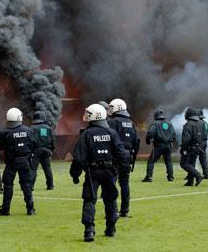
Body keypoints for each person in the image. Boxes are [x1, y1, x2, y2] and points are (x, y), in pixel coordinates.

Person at [70, 104, 129, 242]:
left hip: (93, 173)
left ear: (93, 116)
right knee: (110, 200)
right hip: (110, 172)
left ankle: (89, 230)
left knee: (90, 199)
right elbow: (122, 154)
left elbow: (79, 158)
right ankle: (111, 228)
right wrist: (123, 170)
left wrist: (75, 175)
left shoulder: (86, 134)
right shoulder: (112, 133)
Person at [0, 108, 36, 216]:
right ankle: (30, 208)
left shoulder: (5, 132)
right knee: (26, 185)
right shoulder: (28, 130)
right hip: (25, 161)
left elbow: (0, 146)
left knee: (8, 185)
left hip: (11, 162)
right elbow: (34, 144)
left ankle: (5, 209)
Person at [107, 98, 139, 218]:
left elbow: (110, 138)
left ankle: (113, 211)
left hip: (115, 156)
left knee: (111, 183)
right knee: (124, 183)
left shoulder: (113, 122)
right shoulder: (131, 123)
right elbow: (136, 141)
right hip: (127, 156)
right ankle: (125, 210)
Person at [142, 109, 176, 182]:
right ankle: (171, 177)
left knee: (151, 161)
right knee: (168, 161)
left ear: (156, 116)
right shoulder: (169, 124)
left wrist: (148, 141)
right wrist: (171, 141)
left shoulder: (155, 123)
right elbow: (174, 135)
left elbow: (151, 133)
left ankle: (149, 177)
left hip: (158, 145)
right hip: (168, 145)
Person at [30, 111, 55, 190]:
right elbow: (53, 141)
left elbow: (30, 141)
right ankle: (50, 185)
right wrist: (51, 150)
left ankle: (31, 186)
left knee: (33, 169)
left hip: (35, 151)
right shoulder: (48, 128)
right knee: (47, 168)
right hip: (46, 150)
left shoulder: (31, 128)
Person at [180, 108, 204, 187]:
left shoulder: (188, 125)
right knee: (191, 164)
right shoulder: (199, 123)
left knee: (184, 163)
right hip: (197, 147)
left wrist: (183, 149)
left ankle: (198, 175)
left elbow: (186, 139)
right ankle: (190, 181)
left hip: (190, 148)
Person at [198, 110, 208, 179]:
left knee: (191, 159)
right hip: (204, 143)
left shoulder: (198, 123)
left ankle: (191, 175)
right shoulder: (206, 123)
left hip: (198, 143)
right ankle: (206, 174)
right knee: (203, 159)